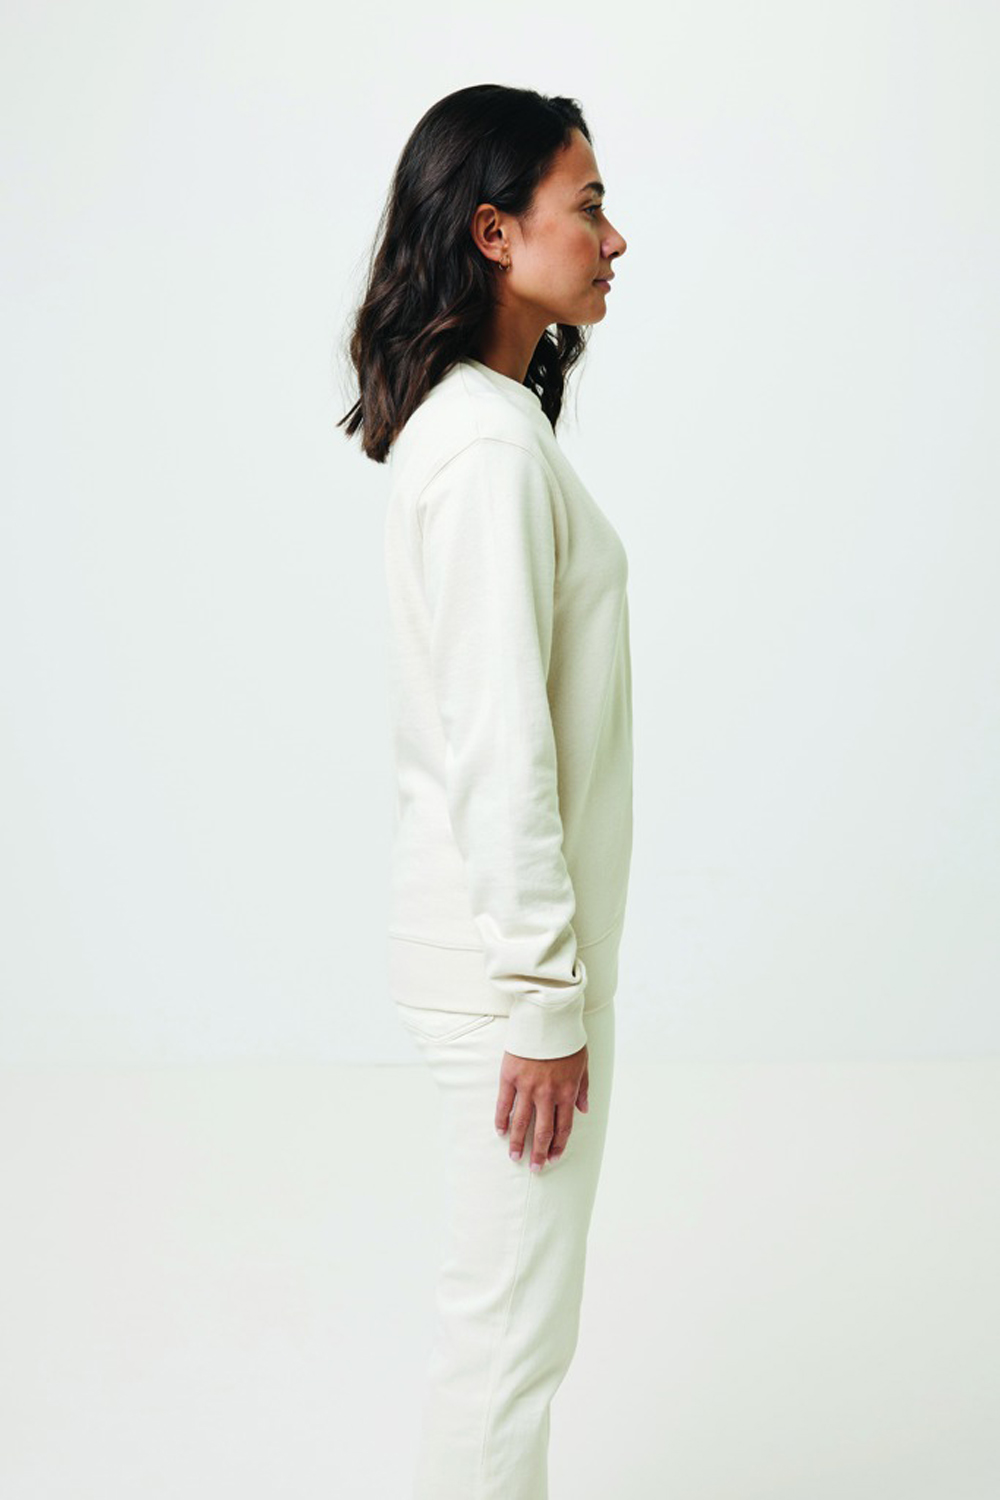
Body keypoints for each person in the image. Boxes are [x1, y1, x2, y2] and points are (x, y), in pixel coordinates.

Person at [337, 83, 632, 1500]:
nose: (615, 239)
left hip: (499, 967)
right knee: (507, 1351)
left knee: (509, 1341)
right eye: (589, 207)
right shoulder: (489, 450)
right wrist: (545, 1002)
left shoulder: (483, 430)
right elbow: (501, 748)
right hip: (507, 984)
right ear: (494, 233)